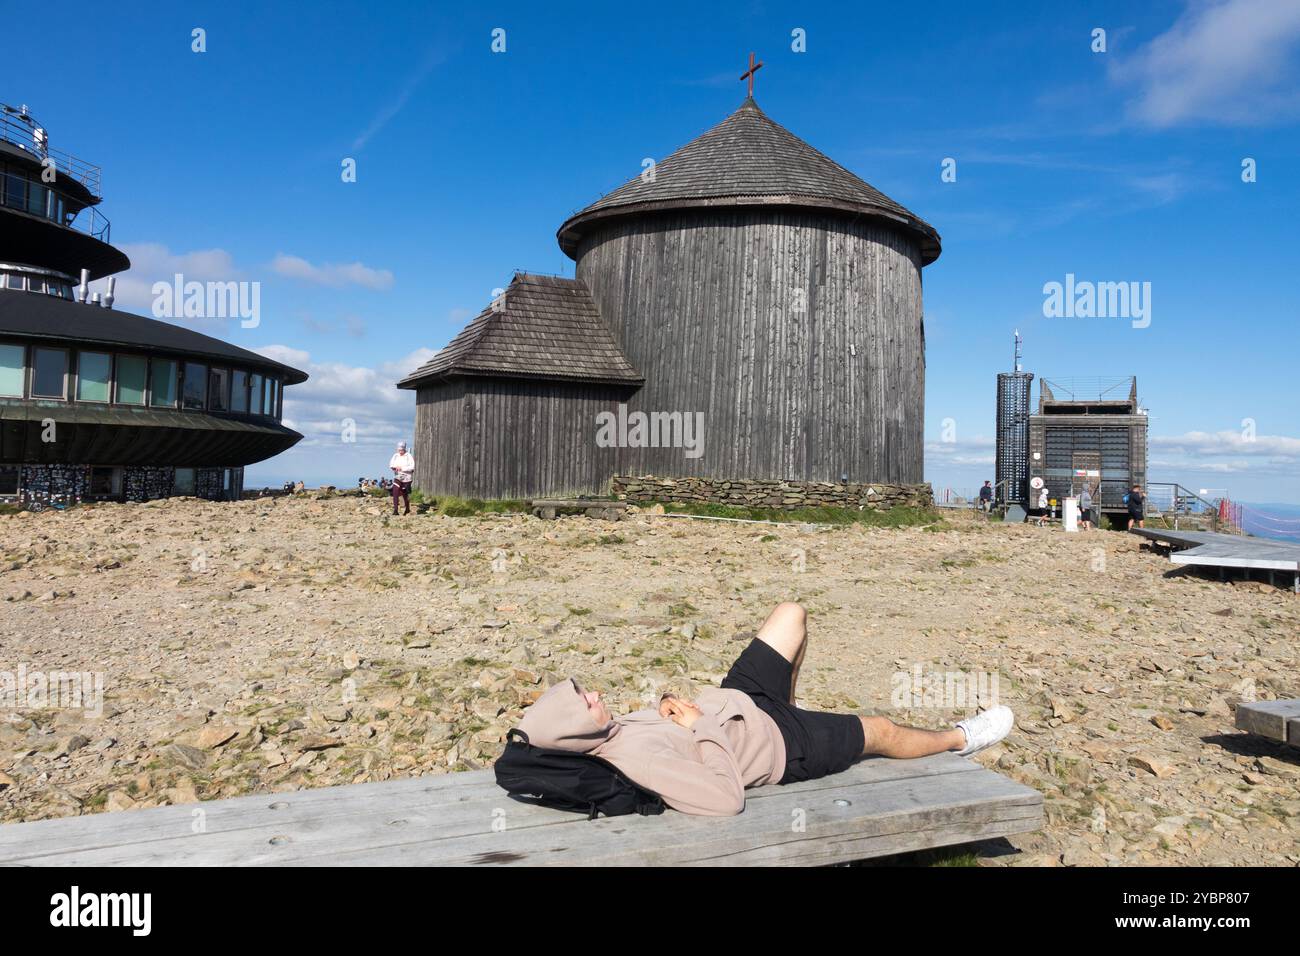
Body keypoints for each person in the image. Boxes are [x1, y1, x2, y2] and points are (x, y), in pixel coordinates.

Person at [516, 603, 1015, 816]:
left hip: (744, 697)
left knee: (791, 615)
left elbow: (670, 727)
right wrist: (700, 724)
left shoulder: (610, 731)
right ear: (574, 731)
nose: (596, 696)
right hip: (782, 746)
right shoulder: (638, 761)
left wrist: (667, 705)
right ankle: (960, 738)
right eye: (587, 702)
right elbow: (724, 798)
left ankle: (800, 710)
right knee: (880, 730)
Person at [388, 441, 415, 516]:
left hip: (407, 478)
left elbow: (412, 467)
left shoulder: (408, 456)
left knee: (404, 494)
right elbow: (391, 464)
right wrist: (394, 467)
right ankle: (395, 510)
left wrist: (402, 468)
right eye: (399, 450)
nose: (400, 452)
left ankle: (407, 509)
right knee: (395, 492)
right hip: (398, 476)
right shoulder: (395, 456)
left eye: (401, 450)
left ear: (404, 449)